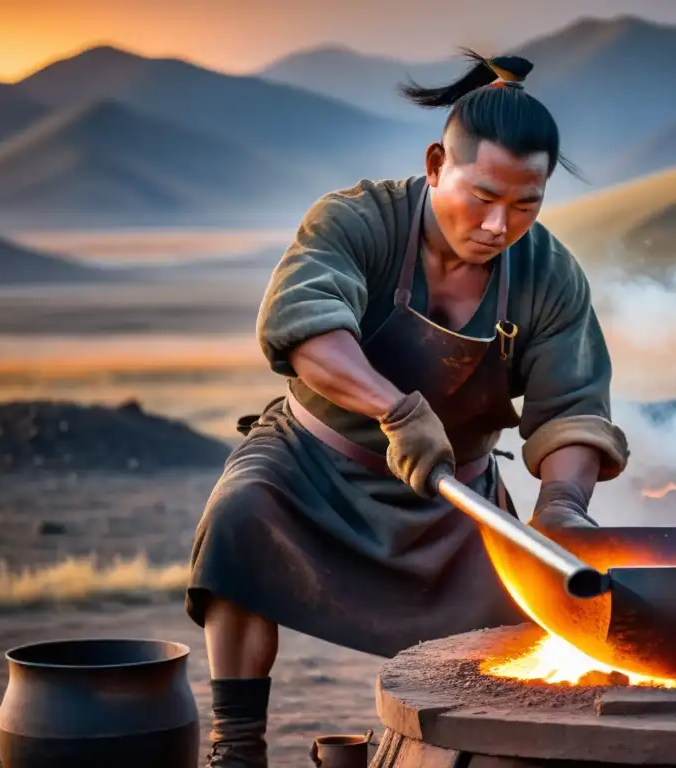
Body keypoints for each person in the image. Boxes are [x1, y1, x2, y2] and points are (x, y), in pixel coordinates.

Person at [186, 49, 629, 767]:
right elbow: (303, 326)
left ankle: (461, 753)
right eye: (481, 195)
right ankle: (237, 748)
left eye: (525, 204)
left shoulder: (548, 274)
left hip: (458, 498)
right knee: (238, 522)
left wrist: (564, 505)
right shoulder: (358, 222)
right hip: (315, 461)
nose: (497, 223)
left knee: (527, 623)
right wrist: (395, 410)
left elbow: (572, 407)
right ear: (434, 163)